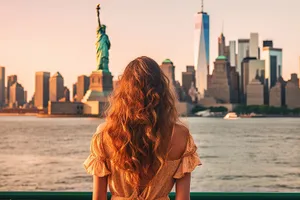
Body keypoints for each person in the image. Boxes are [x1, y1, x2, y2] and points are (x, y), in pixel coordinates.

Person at [83, 56, 201, 200]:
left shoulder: (105, 134)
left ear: (123, 92)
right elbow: (183, 198)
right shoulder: (181, 135)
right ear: (162, 91)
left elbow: (98, 198)